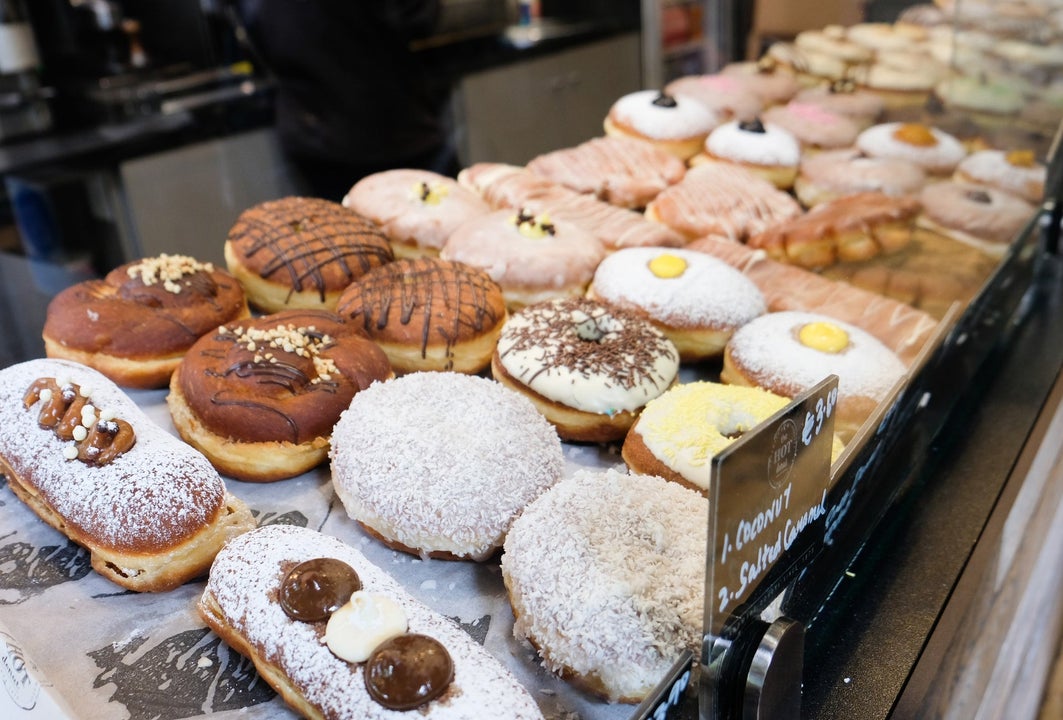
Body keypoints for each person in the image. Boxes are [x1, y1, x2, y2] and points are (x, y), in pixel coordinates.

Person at [237, 0, 458, 201]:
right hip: (390, 125)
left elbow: (250, 27)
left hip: (309, 128)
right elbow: (418, 16)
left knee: (334, 234)